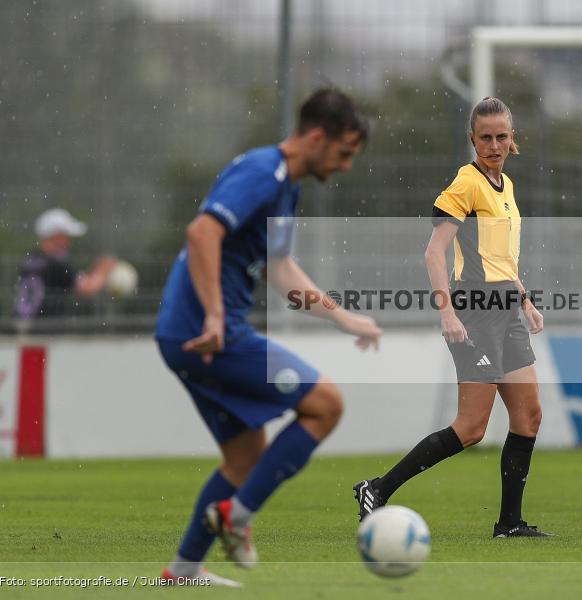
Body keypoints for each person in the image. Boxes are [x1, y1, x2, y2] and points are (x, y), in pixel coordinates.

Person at [154, 88, 382, 586]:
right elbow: (202, 233)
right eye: (343, 153)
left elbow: (280, 271)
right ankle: (236, 518)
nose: (345, 167)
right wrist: (215, 318)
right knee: (325, 404)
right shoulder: (264, 172)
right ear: (316, 137)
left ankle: (185, 570)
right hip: (211, 335)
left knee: (245, 457)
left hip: (187, 334)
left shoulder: (287, 187)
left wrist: (343, 318)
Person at [354, 97, 554, 538]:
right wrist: (447, 310)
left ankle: (509, 523)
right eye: (486, 138)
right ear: (473, 140)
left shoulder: (507, 185)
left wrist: (526, 300)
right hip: (476, 313)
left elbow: (501, 260)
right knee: (471, 428)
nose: (495, 145)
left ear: (512, 137)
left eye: (502, 136)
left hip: (506, 310)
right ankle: (377, 488)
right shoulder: (466, 182)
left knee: (529, 417)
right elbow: (433, 251)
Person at [14, 208, 116, 320]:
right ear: (57, 236)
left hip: (23, 325)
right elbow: (87, 288)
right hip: (45, 331)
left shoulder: (30, 260)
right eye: (66, 236)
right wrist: (103, 270)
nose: (68, 241)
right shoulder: (57, 264)